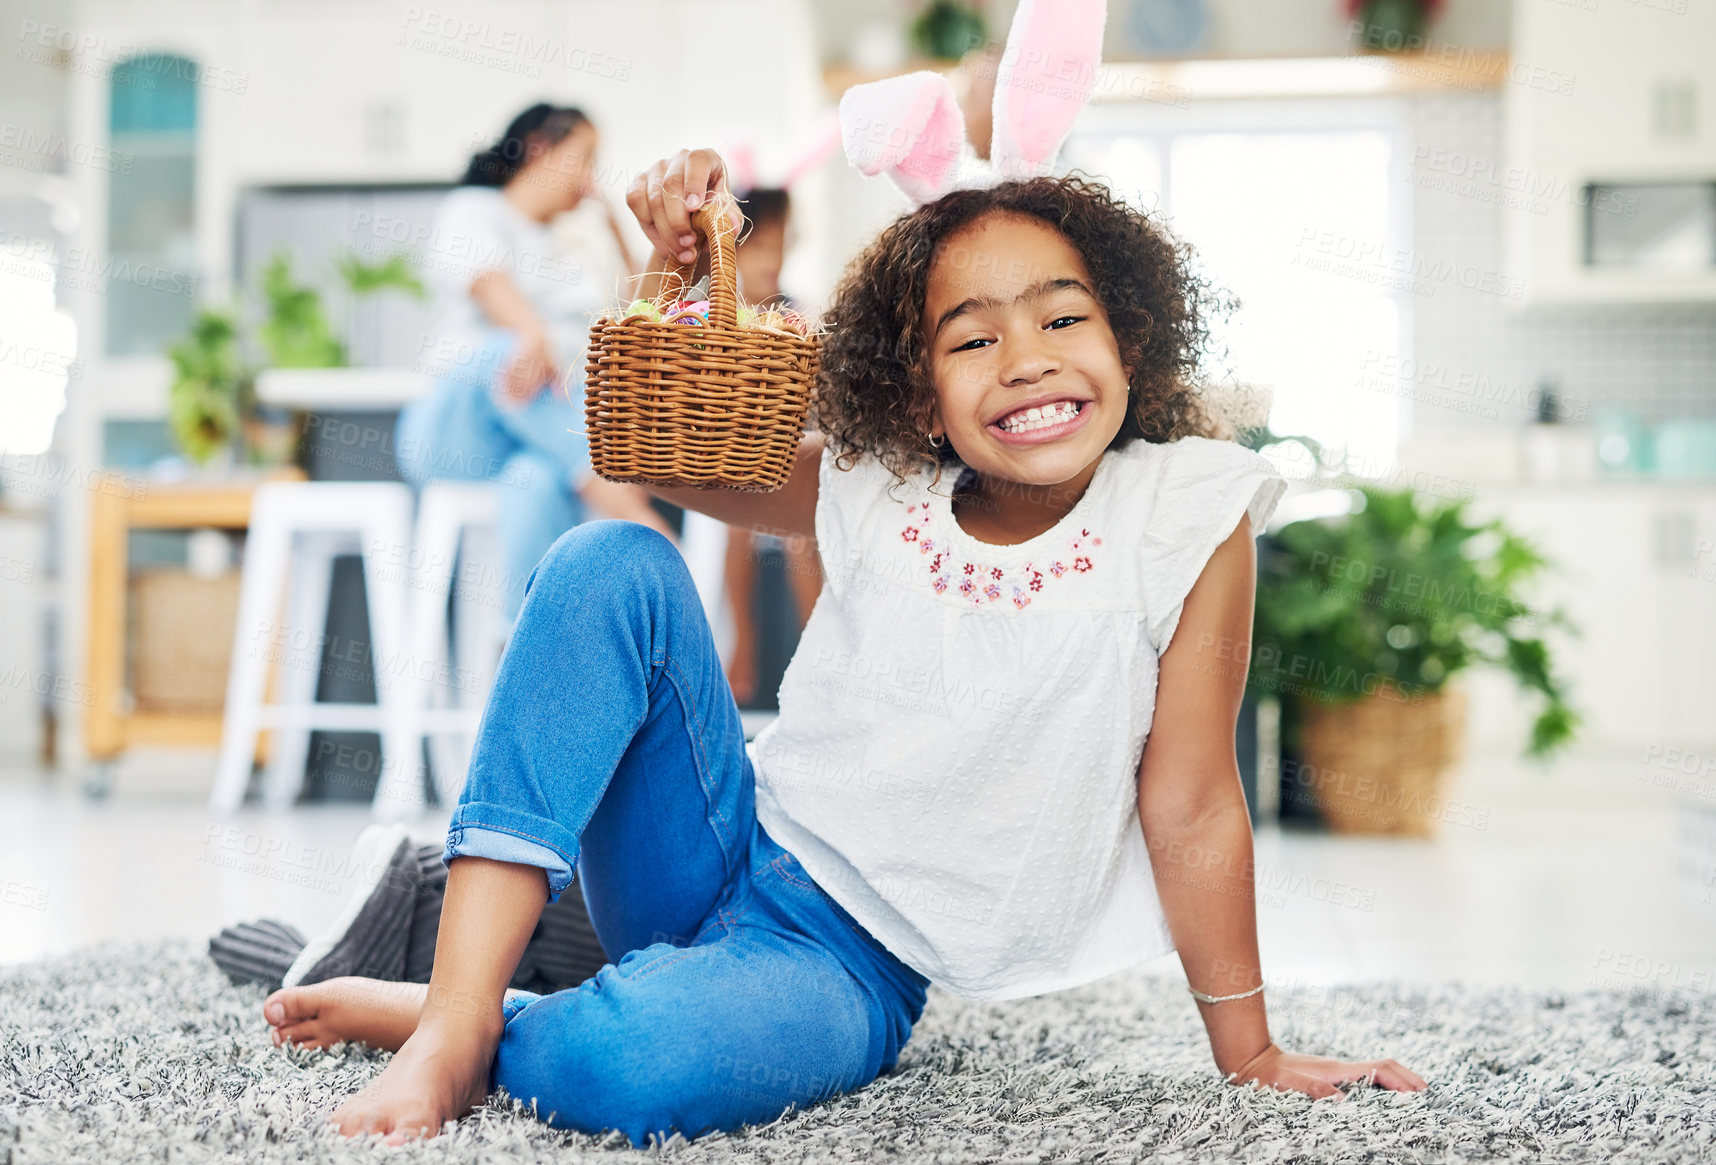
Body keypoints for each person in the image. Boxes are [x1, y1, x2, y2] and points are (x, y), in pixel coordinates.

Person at [260, 147, 1426, 1146]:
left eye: (1066, 318)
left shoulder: (1185, 511)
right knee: (607, 564)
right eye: (972, 341)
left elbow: (1194, 805)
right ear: (918, 396)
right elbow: (653, 463)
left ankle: (492, 1011)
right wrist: (665, 273)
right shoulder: (884, 483)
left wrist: (1253, 1048)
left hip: (844, 962)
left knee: (620, 1074)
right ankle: (458, 1016)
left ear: (1132, 339)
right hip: (715, 841)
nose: (1028, 359)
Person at [394, 102, 670, 620]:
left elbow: (642, 313)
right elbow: (487, 283)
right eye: (585, 158)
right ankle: (632, 512)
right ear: (541, 147)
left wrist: (613, 225)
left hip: (532, 440)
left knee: (534, 480)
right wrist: (534, 337)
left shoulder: (576, 242)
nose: (590, 178)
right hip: (451, 433)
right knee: (506, 352)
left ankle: (527, 645)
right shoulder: (474, 210)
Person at [722, 187, 822, 704]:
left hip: (786, 458)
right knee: (745, 513)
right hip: (731, 466)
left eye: (781, 247)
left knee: (800, 529)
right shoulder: (715, 317)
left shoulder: (797, 316)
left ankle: (820, 654)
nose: (773, 261)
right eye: (761, 248)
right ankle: (744, 644)